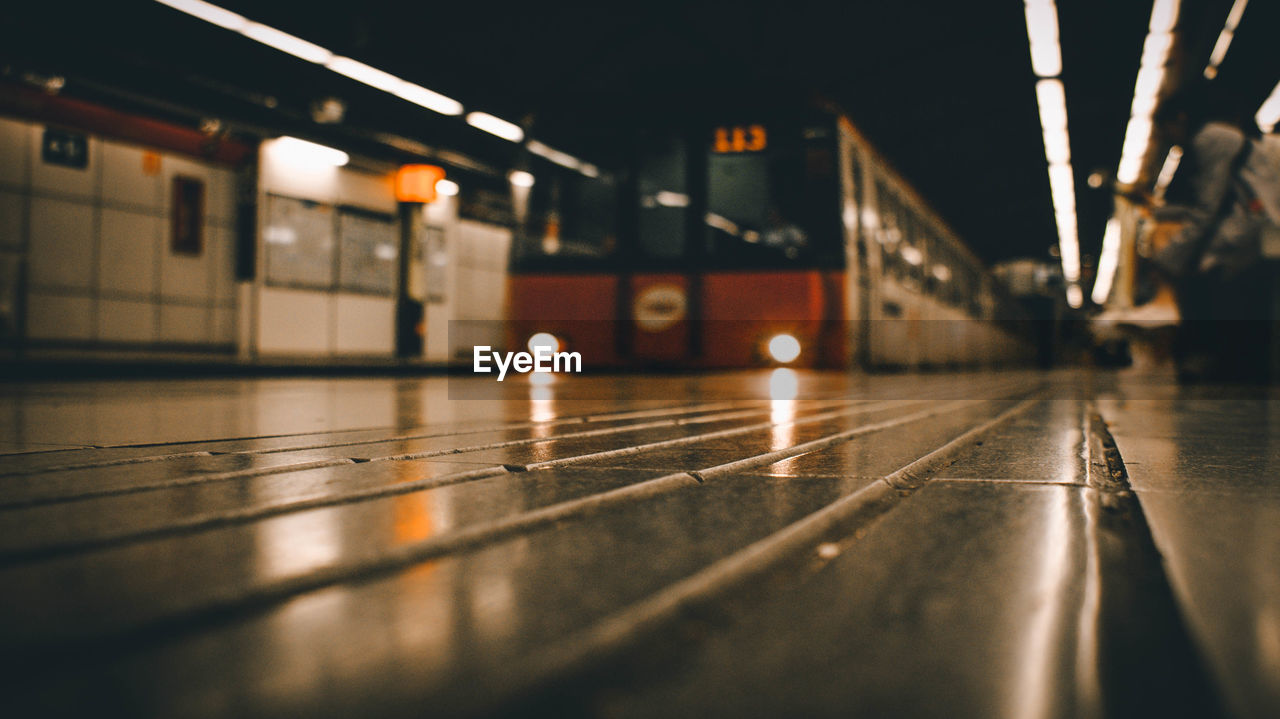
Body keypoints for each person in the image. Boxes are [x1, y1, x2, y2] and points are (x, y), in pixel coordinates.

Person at [1135, 85, 1280, 382]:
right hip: (1256, 238)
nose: (1169, 139)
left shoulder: (1210, 137)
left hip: (1246, 242)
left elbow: (1207, 210)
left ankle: (1222, 375)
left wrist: (1166, 257)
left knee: (1222, 307)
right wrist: (1160, 212)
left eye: (1166, 128)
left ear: (1180, 118)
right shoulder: (1233, 136)